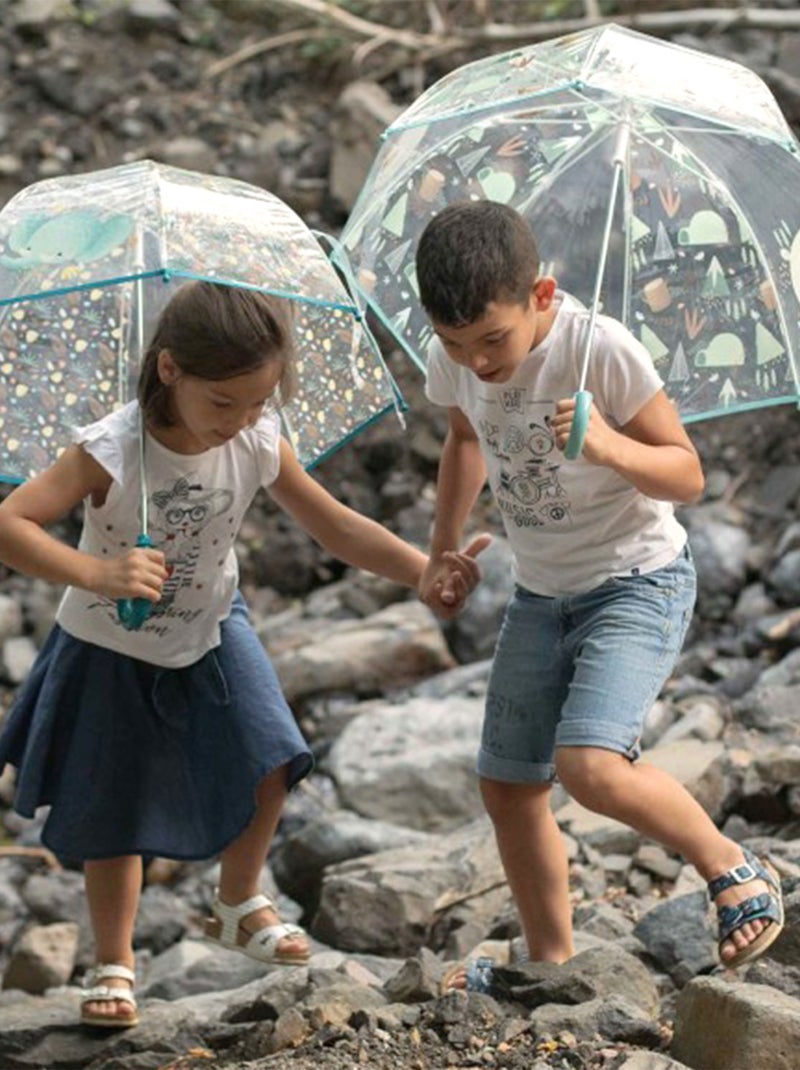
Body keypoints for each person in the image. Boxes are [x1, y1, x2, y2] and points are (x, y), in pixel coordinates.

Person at [0, 280, 487, 1028]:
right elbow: (12, 524)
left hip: (213, 625)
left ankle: (236, 899)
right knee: (115, 807)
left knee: (272, 753)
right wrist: (95, 571)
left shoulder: (259, 437)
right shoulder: (112, 449)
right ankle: (114, 961)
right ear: (170, 371)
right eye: (224, 403)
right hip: (109, 644)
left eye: (258, 403)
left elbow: (335, 525)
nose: (243, 420)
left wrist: (422, 570)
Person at [414, 201, 784, 990]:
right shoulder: (458, 358)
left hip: (636, 581)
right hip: (542, 594)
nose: (477, 363)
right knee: (508, 786)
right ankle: (552, 963)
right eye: (456, 346)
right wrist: (446, 545)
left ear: (541, 297)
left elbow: (687, 473)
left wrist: (605, 444)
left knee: (590, 765)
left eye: (493, 342)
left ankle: (732, 866)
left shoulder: (600, 349)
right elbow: (465, 437)